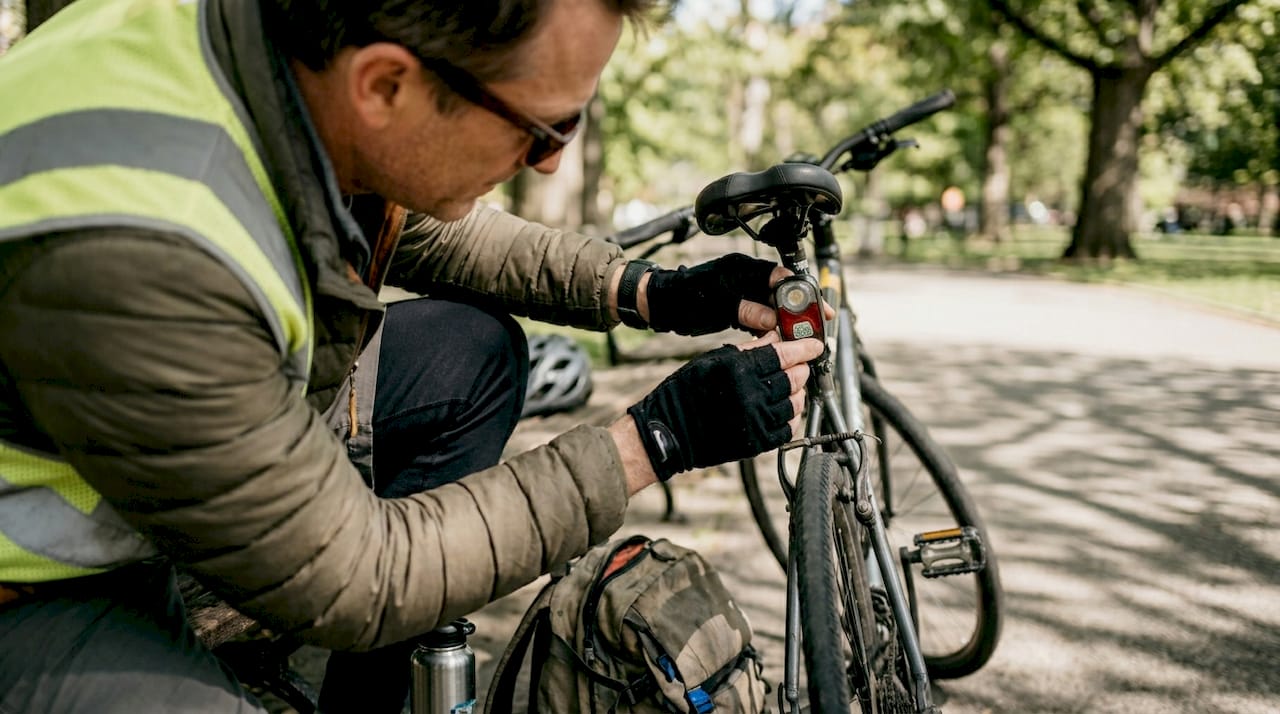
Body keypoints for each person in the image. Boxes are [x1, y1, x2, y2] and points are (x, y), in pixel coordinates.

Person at [0, 0, 823, 712]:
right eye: (544, 131)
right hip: (41, 580)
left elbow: (432, 222)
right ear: (386, 85)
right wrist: (657, 439)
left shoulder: (282, 49)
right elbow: (356, 576)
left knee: (472, 352)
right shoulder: (153, 247)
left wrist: (652, 291)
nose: (554, 162)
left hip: (147, 426)